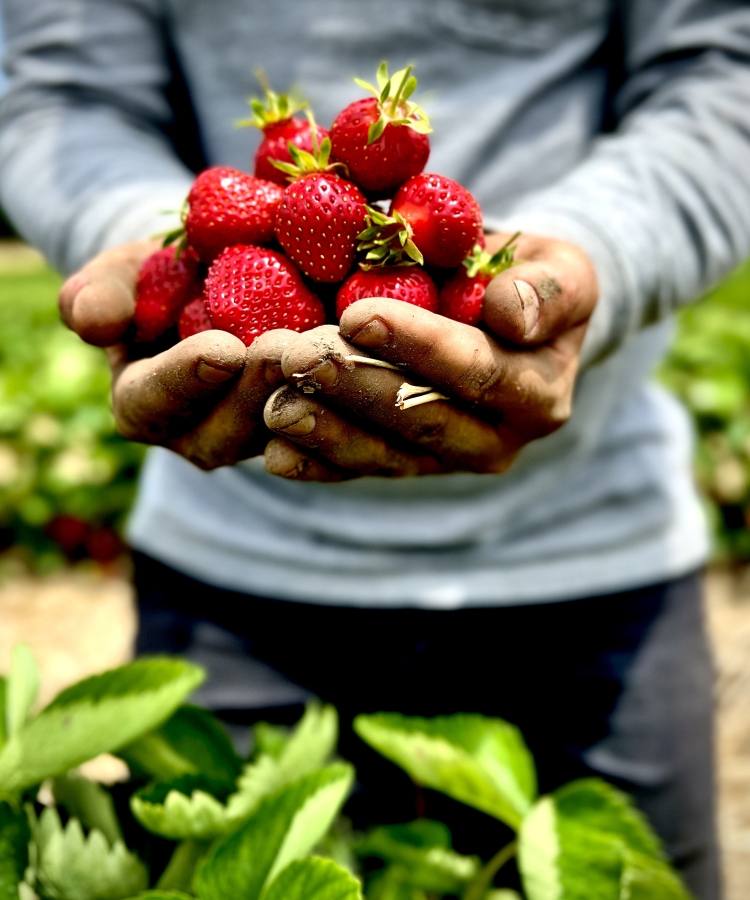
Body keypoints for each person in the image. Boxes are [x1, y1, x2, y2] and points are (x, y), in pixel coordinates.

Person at [2, 0, 749, 895]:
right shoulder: (307, 214)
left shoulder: (381, 216)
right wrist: (140, 235)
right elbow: (60, 91)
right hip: (235, 580)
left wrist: (595, 258)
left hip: (593, 557)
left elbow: (723, 73)